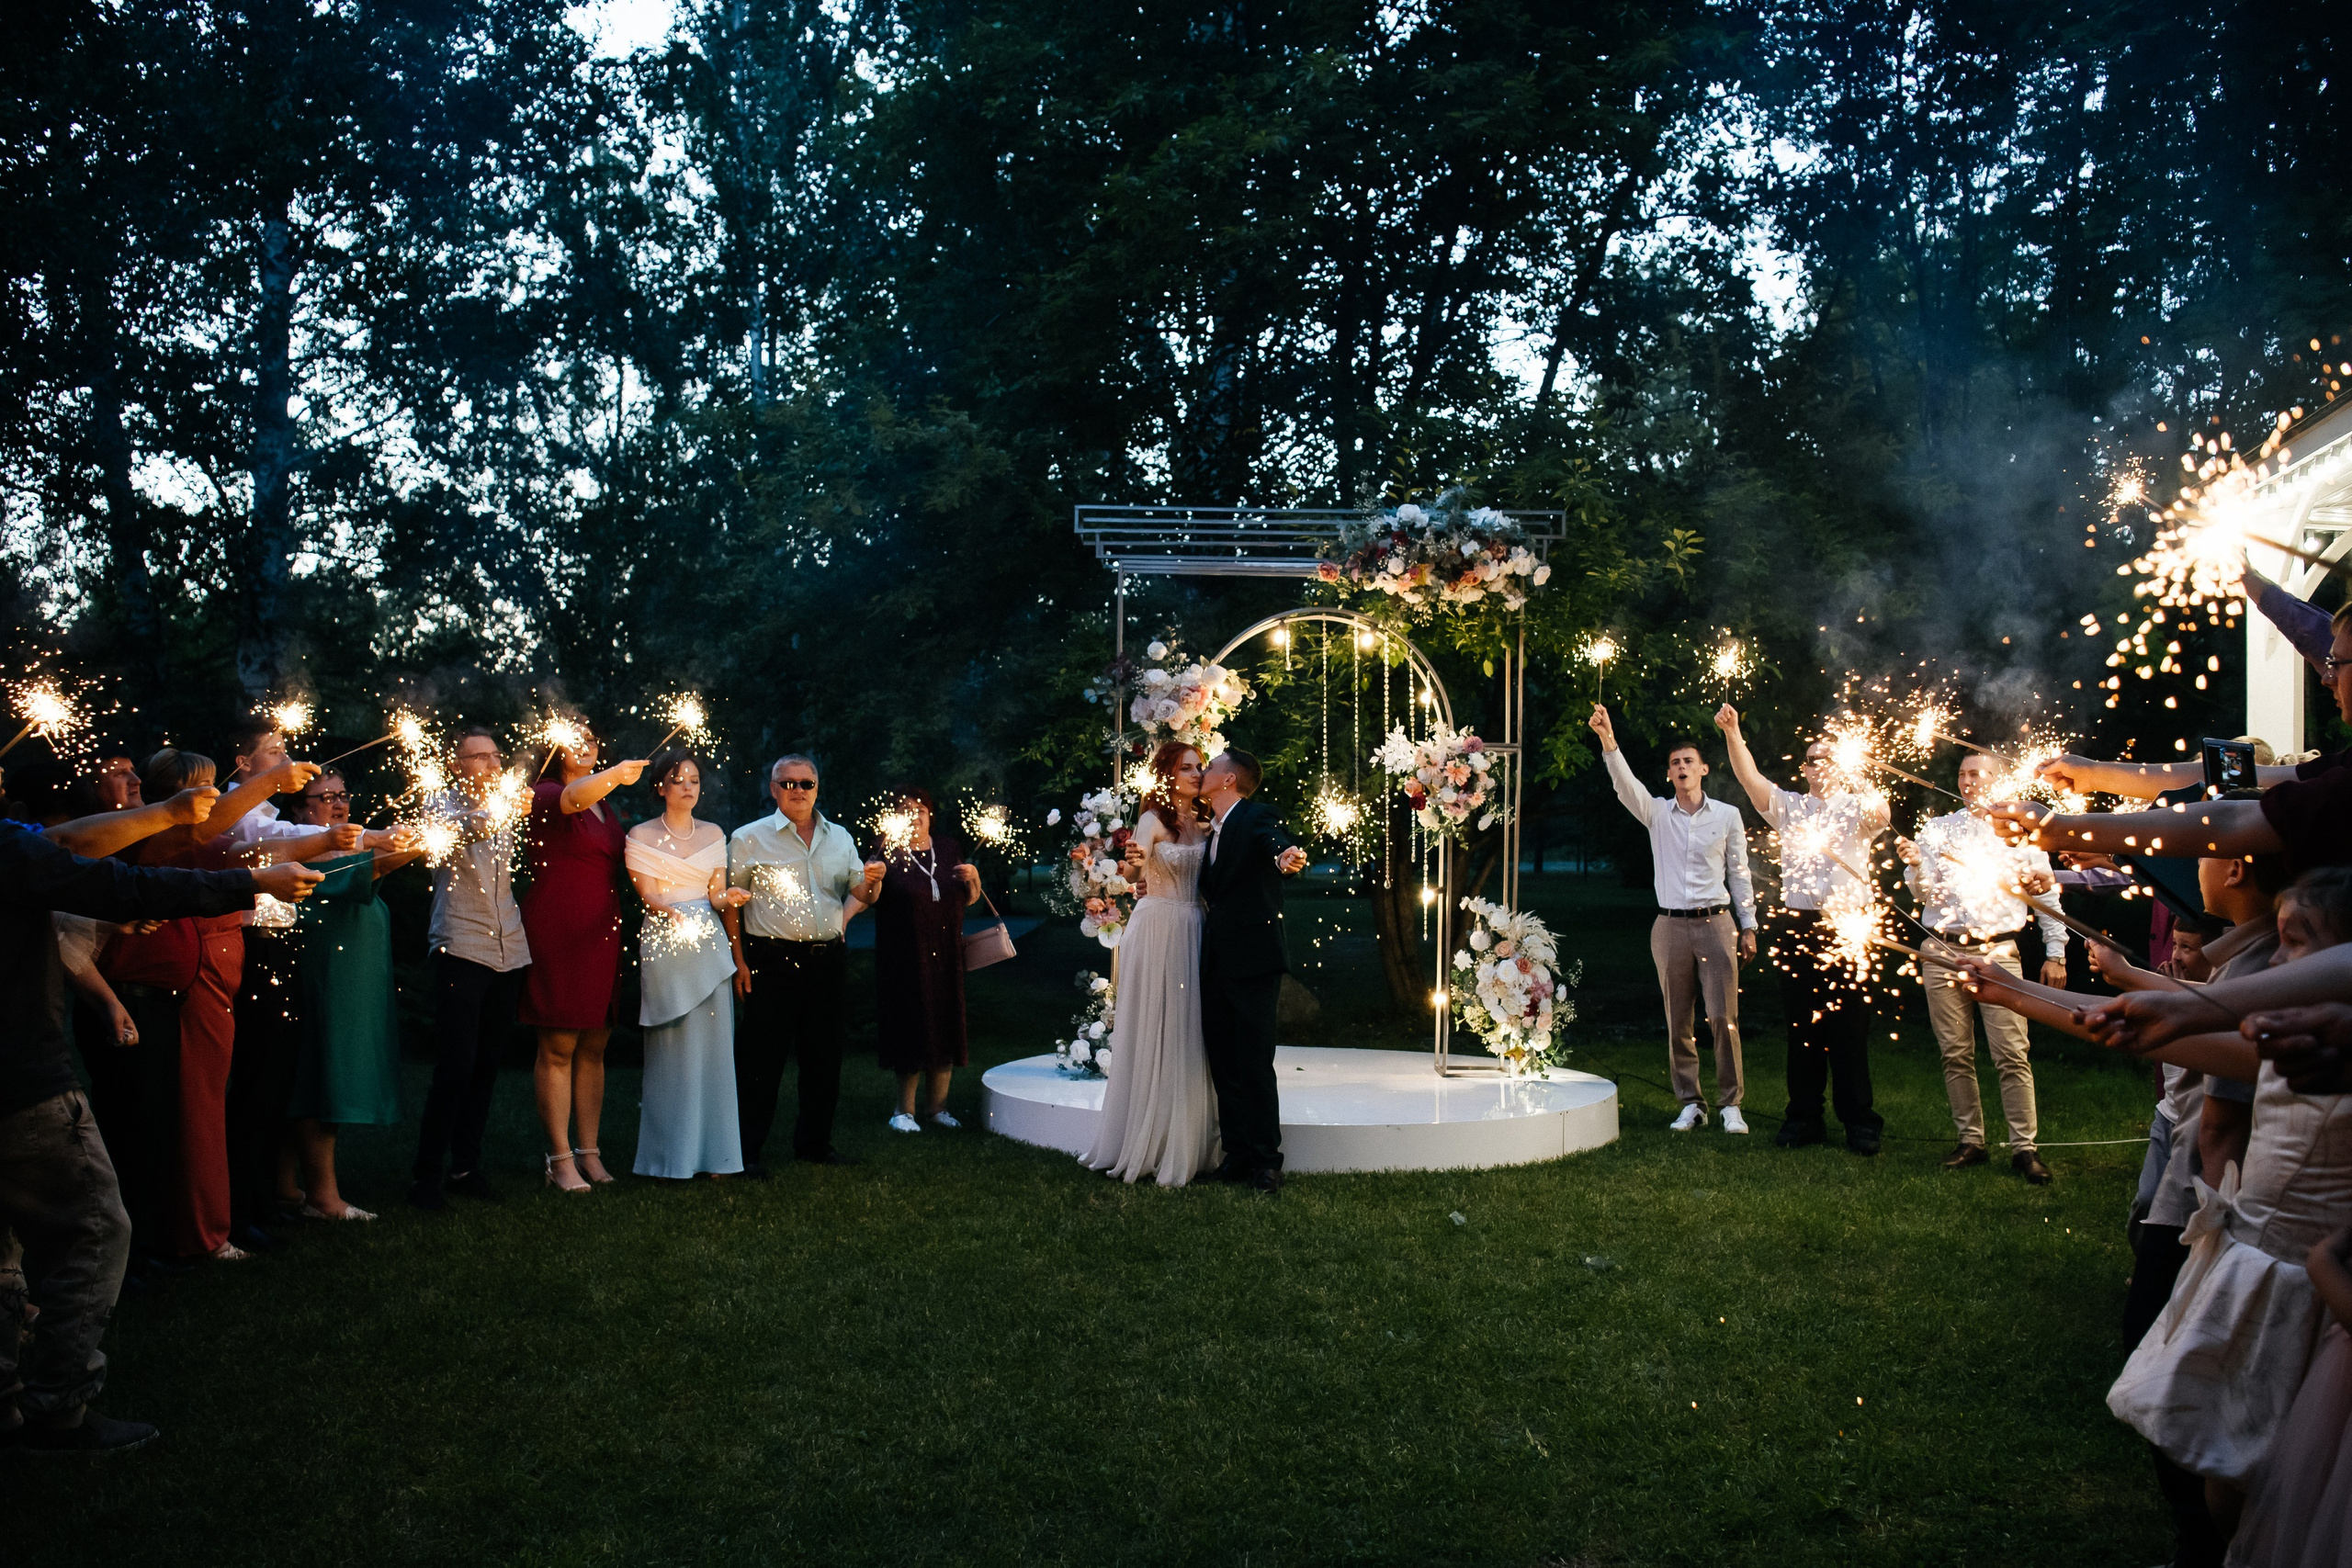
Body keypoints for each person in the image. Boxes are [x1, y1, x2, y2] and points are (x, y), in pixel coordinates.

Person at [0, 793, 322, 1453]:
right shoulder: (9, 846)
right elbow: (105, 871)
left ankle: (3, 1403)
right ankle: (58, 1406)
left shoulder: (13, 845)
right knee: (96, 1229)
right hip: (20, 1082)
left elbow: (55, 858)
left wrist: (169, 818)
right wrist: (252, 880)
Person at [100, 748, 325, 1263]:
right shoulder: (158, 838)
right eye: (204, 789)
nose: (214, 798)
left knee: (184, 1107)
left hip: (193, 983)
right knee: (168, 1113)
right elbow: (242, 853)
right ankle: (179, 1234)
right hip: (158, 991)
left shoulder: (183, 838)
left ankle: (186, 1228)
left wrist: (338, 842)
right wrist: (276, 787)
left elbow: (253, 849)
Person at [1714, 705, 1889, 1155]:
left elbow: (1883, 814)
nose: (1818, 765)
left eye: (1828, 758)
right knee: (1802, 1026)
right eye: (1812, 759)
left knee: (1849, 1026)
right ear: (1805, 769)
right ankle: (1804, 1117)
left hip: (1849, 925)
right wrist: (1733, 731)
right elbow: (1750, 779)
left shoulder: (1857, 806)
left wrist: (1858, 770)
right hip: (1799, 926)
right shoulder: (1791, 807)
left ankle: (1859, 1121)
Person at [1893, 750, 2070, 1183]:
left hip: (1999, 952)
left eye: (1977, 773)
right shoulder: (1938, 828)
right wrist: (1915, 866)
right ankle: (1971, 1140)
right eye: (1962, 774)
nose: (1968, 780)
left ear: (1997, 780)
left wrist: (2056, 952)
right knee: (1955, 1053)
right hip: (1943, 950)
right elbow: (1925, 895)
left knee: (2011, 1052)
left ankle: (2024, 1148)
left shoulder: (2019, 832)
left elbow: (2046, 894)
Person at [1589, 706, 1758, 1134]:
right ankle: (1691, 1103)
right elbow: (1625, 785)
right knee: (1678, 1020)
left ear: (1703, 769)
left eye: (1688, 761)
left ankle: (1730, 1105)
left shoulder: (1727, 815)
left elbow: (1739, 873)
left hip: (1716, 924)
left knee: (1723, 1018)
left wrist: (1748, 925)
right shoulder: (1658, 813)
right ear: (1669, 774)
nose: (1682, 767)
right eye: (1675, 763)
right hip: (1669, 927)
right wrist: (1609, 740)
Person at [728, 754, 884, 1173]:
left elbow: (862, 895)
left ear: (817, 788)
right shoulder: (748, 838)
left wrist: (875, 882)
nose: (797, 790)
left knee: (824, 1057)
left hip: (825, 960)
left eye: (806, 783)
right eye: (787, 783)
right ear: (773, 789)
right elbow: (730, 904)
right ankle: (746, 1149)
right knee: (761, 1059)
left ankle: (815, 1143)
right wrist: (739, 961)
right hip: (771, 960)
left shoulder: (840, 838)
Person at [279, 769, 421, 1220]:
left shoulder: (346, 848)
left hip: (352, 975)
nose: (339, 804)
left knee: (324, 1071)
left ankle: (286, 1187)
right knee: (322, 1074)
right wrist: (405, 845)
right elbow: (371, 867)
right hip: (327, 974)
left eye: (343, 794)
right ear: (300, 809)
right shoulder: (306, 853)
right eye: (325, 798)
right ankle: (321, 1195)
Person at [410, 726, 533, 1212]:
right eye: (480, 757)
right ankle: (425, 1176)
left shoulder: (507, 804)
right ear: (457, 765)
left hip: (510, 948)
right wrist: (499, 811)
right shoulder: (440, 804)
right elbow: (456, 835)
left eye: (496, 756)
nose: (493, 764)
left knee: (485, 1065)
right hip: (461, 945)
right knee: (456, 1065)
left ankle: (465, 1167)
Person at [520, 721, 643, 1192]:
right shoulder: (547, 792)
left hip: (601, 931)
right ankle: (559, 1158)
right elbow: (572, 798)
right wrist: (616, 773)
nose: (586, 745)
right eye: (574, 740)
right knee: (559, 1044)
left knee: (594, 1044)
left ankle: (589, 1153)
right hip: (558, 927)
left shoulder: (604, 804)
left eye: (591, 738)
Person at [1091, 743, 1221, 1185]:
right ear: (1167, 773)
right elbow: (1133, 871)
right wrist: (1132, 864)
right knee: (1157, 1022)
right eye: (1186, 767)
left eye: (1200, 767)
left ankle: (1188, 1136)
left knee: (1190, 1026)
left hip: (1196, 924)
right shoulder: (1151, 820)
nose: (1196, 773)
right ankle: (1149, 1137)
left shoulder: (1206, 823)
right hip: (1158, 926)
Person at [623, 750, 749, 1179]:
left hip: (708, 943)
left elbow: (715, 895)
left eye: (694, 779)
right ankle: (669, 1159)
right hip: (668, 938)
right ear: (660, 787)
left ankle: (718, 1158)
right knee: (672, 1049)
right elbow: (649, 896)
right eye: (678, 779)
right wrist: (671, 912)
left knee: (715, 1052)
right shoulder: (641, 834)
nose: (688, 787)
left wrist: (728, 898)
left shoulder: (713, 833)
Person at [1195, 749, 1310, 1191]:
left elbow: (1274, 843)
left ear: (1229, 779)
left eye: (1211, 766)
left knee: (1255, 1063)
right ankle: (1237, 1154)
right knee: (1224, 1062)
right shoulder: (1210, 830)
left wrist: (1284, 858)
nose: (1203, 771)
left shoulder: (1256, 816)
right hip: (1216, 960)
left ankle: (1266, 1161)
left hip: (1255, 960)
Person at [868, 786, 982, 1134]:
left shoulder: (947, 848)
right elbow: (871, 898)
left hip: (945, 954)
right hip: (904, 955)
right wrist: (873, 879)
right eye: (905, 809)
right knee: (910, 1026)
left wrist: (974, 878)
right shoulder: (886, 850)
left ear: (930, 815)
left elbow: (968, 899)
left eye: (920, 809)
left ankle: (938, 1109)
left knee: (945, 1024)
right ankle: (903, 1111)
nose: (914, 815)